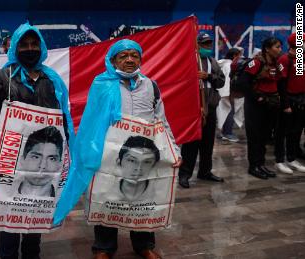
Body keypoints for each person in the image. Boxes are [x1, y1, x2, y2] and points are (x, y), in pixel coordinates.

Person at [54, 39, 181, 259]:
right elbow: (91, 121)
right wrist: (89, 152)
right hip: (109, 155)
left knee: (143, 198)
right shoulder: (101, 84)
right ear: (112, 60)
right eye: (123, 56)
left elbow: (161, 121)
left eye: (134, 55)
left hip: (142, 154)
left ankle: (144, 245)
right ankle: (104, 247)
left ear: (141, 58)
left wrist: (174, 150)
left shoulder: (151, 85)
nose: (130, 60)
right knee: (107, 198)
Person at [0, 22, 74, 259]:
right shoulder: (0, 79)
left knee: (35, 210)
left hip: (43, 160)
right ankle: (7, 254)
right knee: (8, 213)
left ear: (41, 46)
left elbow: (63, 120)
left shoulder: (52, 81)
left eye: (34, 44)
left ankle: (33, 254)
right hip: (8, 162)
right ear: (14, 48)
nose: (29, 49)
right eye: (24, 45)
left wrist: (64, 155)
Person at [178, 33, 225, 189]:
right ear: (196, 45)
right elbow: (180, 83)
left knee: (208, 143)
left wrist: (209, 76)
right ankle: (184, 175)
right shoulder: (188, 62)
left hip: (210, 110)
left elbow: (221, 82)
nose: (207, 46)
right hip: (193, 111)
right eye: (204, 44)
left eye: (209, 44)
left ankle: (205, 172)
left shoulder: (213, 62)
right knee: (191, 144)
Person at [237, 37, 282, 179]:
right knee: (254, 137)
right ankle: (253, 166)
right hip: (255, 106)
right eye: (277, 47)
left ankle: (261, 164)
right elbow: (242, 83)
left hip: (270, 105)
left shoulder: (276, 63)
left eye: (280, 47)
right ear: (267, 49)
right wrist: (257, 97)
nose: (280, 50)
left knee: (264, 137)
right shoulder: (256, 62)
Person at [274, 32, 305, 174]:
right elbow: (281, 84)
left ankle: (292, 158)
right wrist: (285, 104)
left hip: (301, 100)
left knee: (296, 131)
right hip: (288, 100)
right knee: (282, 132)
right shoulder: (284, 60)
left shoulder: (301, 58)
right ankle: (279, 160)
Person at [17, 126, 64, 197]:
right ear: (22, 160)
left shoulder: (65, 199)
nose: (42, 166)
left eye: (52, 159)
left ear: (60, 165)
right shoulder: (1, 193)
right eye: (36, 157)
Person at [117, 136, 160, 202]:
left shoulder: (160, 195)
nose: (138, 168)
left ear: (154, 166)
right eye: (131, 160)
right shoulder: (104, 192)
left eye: (147, 162)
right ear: (119, 162)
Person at [217, 48, 242, 142]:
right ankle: (227, 133)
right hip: (226, 93)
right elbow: (228, 81)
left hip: (221, 92)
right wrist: (228, 94)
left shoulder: (223, 64)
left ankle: (223, 132)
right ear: (234, 56)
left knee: (223, 112)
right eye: (239, 55)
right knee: (228, 112)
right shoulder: (229, 66)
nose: (240, 57)